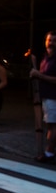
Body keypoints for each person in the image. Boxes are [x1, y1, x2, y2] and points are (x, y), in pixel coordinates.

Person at [31, 31, 56, 163]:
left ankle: (49, 153)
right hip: (46, 96)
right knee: (50, 125)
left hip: (53, 96)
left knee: (53, 125)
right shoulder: (46, 57)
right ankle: (49, 151)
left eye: (53, 40)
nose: (50, 43)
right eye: (49, 40)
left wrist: (40, 75)